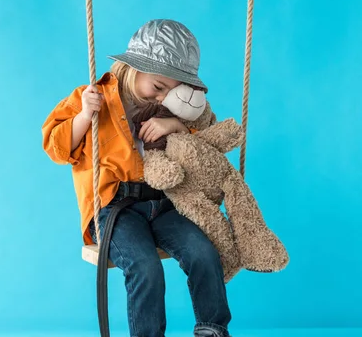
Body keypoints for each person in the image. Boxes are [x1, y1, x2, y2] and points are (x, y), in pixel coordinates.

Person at [42, 19, 231, 337]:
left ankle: (212, 329)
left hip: (163, 204)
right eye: (158, 87)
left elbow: (204, 146)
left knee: (204, 252)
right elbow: (56, 147)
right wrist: (84, 116)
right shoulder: (92, 97)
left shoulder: (172, 109)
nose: (162, 98)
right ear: (134, 68)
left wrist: (178, 128)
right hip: (116, 209)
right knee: (146, 267)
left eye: (172, 91)